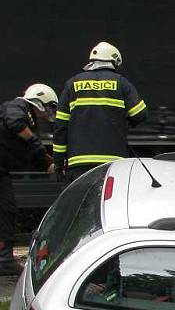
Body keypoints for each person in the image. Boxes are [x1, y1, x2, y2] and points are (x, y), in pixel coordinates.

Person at [53, 42, 148, 182]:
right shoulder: (121, 83)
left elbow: (60, 127)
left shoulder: (72, 84)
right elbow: (140, 114)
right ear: (114, 62)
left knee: (83, 203)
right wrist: (126, 122)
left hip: (78, 163)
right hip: (114, 163)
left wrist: (58, 164)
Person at [0, 84, 57, 274]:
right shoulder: (17, 107)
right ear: (39, 101)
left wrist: (49, 165)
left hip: (2, 170)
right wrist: (35, 142)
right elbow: (15, 123)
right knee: (5, 210)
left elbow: (32, 154)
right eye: (49, 106)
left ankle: (4, 259)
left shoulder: (30, 123)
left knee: (7, 210)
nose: (50, 111)